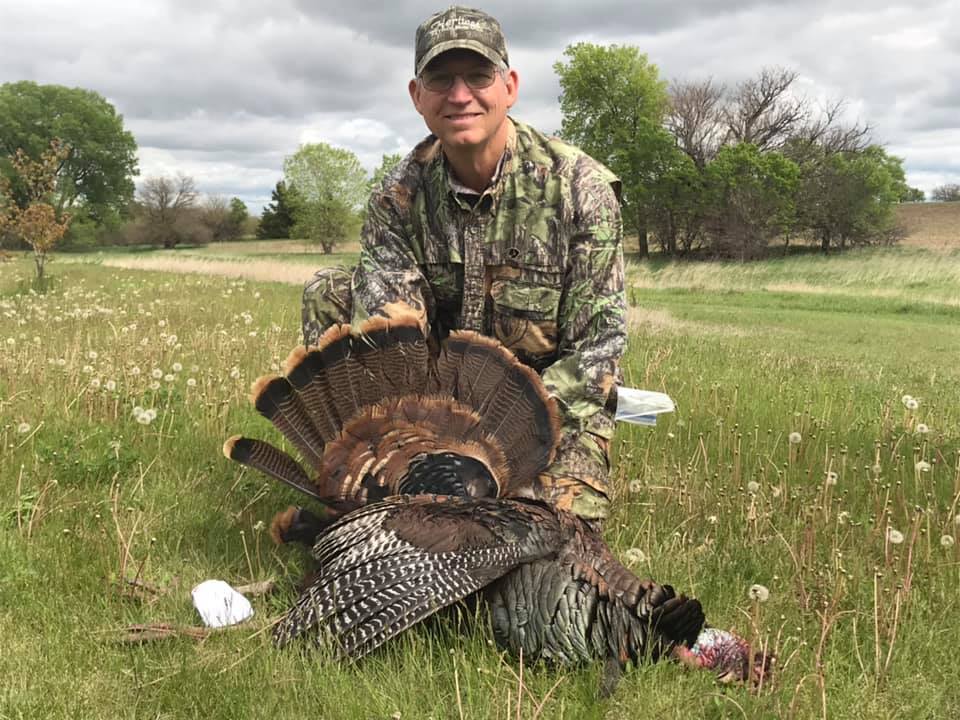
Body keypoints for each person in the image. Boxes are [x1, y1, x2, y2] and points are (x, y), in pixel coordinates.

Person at [301, 6, 625, 521]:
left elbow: (598, 352)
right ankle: (358, 482)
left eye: (478, 75)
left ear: (510, 85)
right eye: (440, 78)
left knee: (540, 543)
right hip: (434, 418)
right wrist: (419, 454)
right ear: (417, 95)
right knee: (330, 290)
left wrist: (495, 450)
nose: (459, 95)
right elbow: (390, 344)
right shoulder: (396, 199)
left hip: (547, 417)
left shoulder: (579, 189)